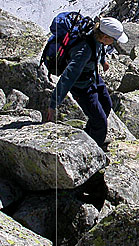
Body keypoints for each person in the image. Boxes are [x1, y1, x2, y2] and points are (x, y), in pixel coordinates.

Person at [46, 17, 128, 149]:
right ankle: (93, 150)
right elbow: (67, 77)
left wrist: (102, 61)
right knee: (100, 122)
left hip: (93, 77)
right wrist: (53, 104)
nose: (114, 42)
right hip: (82, 88)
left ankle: (90, 136)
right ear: (106, 36)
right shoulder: (83, 51)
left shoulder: (97, 35)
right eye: (113, 39)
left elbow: (100, 48)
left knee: (106, 105)